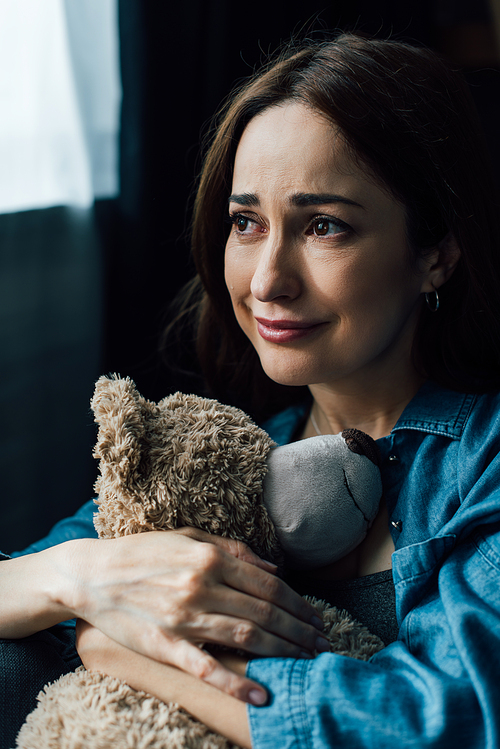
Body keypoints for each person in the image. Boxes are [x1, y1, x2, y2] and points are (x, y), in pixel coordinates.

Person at [2, 32, 500, 748]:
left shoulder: (483, 463)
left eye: (324, 225)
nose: (267, 280)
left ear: (436, 253)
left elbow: (455, 716)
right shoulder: (225, 457)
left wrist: (131, 655)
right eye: (246, 223)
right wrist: (81, 574)